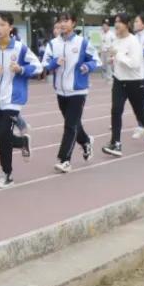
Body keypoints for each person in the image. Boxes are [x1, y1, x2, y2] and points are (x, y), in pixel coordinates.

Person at [0, 13, 40, 187]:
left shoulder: (20, 48)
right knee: (1, 137)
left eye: (2, 25)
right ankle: (22, 142)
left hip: (13, 99)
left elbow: (37, 66)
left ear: (10, 27)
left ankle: (7, 174)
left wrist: (21, 69)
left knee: (3, 135)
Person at [42, 12, 100, 170]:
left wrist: (87, 66)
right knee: (74, 124)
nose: (62, 23)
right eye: (60, 21)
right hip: (60, 91)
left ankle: (64, 160)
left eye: (66, 20)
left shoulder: (82, 43)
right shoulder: (53, 44)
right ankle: (86, 141)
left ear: (73, 23)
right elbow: (45, 65)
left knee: (69, 126)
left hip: (78, 91)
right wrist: (55, 63)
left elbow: (96, 60)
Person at [102, 13, 144, 157]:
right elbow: (117, 57)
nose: (117, 25)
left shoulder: (133, 41)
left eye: (120, 22)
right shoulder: (116, 40)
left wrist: (117, 55)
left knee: (140, 112)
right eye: (115, 22)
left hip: (134, 82)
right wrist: (112, 59)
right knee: (116, 110)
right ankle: (116, 143)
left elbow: (134, 63)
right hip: (119, 80)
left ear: (127, 24)